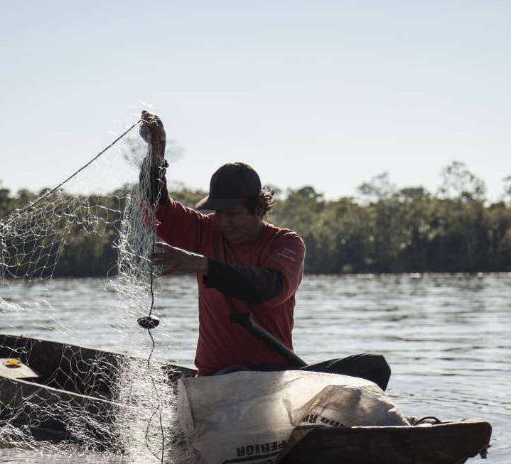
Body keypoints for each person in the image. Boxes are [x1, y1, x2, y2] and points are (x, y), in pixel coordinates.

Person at [139, 112, 390, 390]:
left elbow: (269, 289)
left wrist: (204, 266)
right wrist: (157, 152)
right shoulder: (208, 231)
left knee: (374, 366)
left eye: (233, 213)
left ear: (258, 209)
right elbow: (157, 205)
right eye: (219, 213)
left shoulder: (286, 243)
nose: (224, 221)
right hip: (218, 378)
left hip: (274, 379)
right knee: (232, 375)